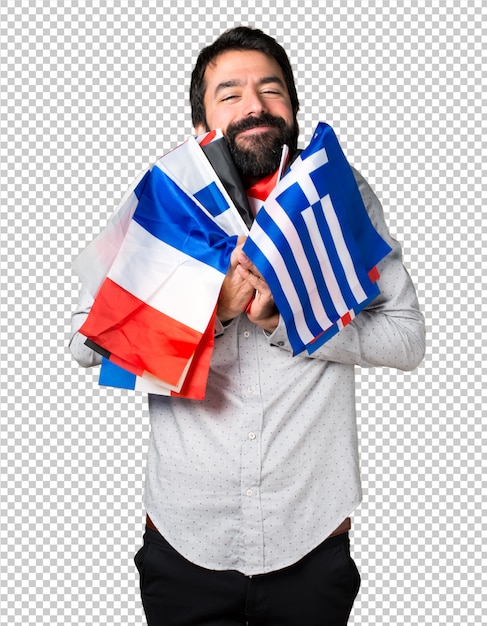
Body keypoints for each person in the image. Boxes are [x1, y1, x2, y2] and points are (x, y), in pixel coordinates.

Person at [70, 26, 425, 626]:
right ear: (203, 118)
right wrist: (216, 310)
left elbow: (407, 338)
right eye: (229, 93)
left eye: (271, 89)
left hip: (311, 539)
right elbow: (86, 342)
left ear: (291, 105)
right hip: (185, 541)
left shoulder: (341, 197)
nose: (254, 105)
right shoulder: (164, 203)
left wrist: (290, 319)